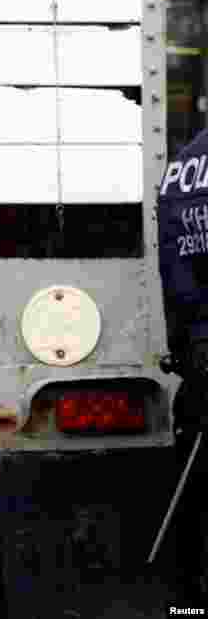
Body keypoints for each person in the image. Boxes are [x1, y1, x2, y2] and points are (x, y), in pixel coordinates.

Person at [157, 128, 208, 603]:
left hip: (199, 367)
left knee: (192, 511)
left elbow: (173, 273)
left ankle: (187, 607)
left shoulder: (184, 167)